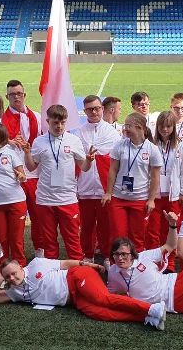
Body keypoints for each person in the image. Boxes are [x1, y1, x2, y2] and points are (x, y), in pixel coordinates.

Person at [0, 258, 167, 330]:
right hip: (73, 300)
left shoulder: (36, 264)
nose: (12, 277)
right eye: (8, 275)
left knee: (102, 299)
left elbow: (65, 263)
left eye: (13, 272)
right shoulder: (13, 291)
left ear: (19, 265)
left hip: (76, 277)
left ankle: (152, 308)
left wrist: (91, 266)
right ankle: (145, 318)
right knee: (98, 313)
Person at [23, 104, 94, 260]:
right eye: (55, 123)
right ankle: (51, 276)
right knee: (49, 243)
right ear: (48, 121)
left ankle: (78, 275)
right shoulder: (39, 142)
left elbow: (84, 167)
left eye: (62, 122)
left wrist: (88, 161)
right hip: (45, 199)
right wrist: (27, 153)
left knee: (73, 241)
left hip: (67, 199)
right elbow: (31, 166)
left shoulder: (74, 140)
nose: (59, 126)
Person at [102, 112, 161, 253]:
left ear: (140, 128)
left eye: (128, 126)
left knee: (137, 237)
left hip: (139, 200)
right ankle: (116, 267)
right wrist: (109, 192)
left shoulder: (152, 149)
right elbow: (112, 170)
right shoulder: (120, 145)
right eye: (125, 125)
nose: (125, 128)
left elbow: (155, 177)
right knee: (118, 235)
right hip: (118, 199)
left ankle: (136, 268)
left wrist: (151, 199)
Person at [75, 95, 121, 263]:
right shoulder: (80, 133)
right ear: (85, 111)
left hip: (104, 189)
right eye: (89, 109)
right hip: (85, 188)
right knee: (86, 226)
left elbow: (116, 161)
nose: (93, 112)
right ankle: (88, 255)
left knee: (106, 226)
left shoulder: (112, 133)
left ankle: (108, 256)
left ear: (102, 108)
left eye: (96, 108)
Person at [144, 111, 183, 271]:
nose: (165, 129)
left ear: (174, 127)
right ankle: (153, 261)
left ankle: (169, 261)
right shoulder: (151, 145)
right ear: (157, 127)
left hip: (173, 195)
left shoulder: (181, 145)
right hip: (155, 195)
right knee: (152, 230)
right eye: (162, 126)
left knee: (170, 229)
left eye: (168, 126)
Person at [1, 80, 43, 257]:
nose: (16, 97)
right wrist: (7, 141)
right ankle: (11, 255)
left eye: (19, 93)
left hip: (34, 173)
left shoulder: (37, 117)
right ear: (7, 97)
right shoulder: (1, 122)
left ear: (24, 95)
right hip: (12, 176)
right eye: (12, 94)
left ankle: (40, 249)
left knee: (38, 215)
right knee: (13, 219)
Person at [0, 122, 27, 266]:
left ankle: (20, 266)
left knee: (16, 238)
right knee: (1, 238)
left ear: (4, 138)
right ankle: (3, 267)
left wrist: (21, 176)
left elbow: (23, 174)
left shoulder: (11, 153)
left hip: (16, 201)